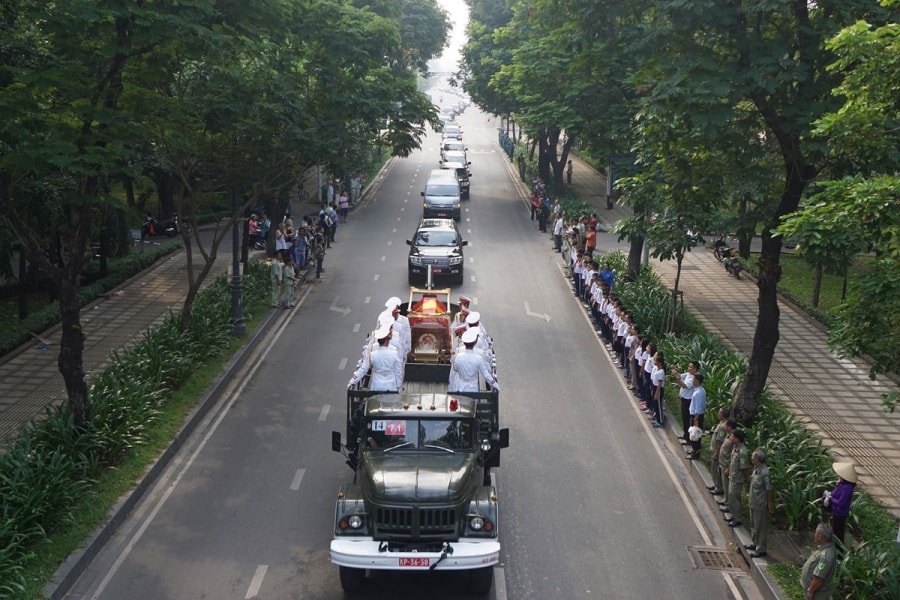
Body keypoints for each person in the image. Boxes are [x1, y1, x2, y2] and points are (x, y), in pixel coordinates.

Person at [347, 324, 402, 391]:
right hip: (391, 386)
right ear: (388, 340)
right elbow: (398, 372)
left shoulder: (372, 355)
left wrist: (352, 381)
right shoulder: (395, 354)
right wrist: (399, 387)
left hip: (377, 386)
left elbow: (362, 370)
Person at [824, 461, 858, 548]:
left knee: (838, 532)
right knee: (835, 530)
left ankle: (839, 551)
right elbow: (835, 493)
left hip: (840, 513)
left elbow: (841, 503)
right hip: (835, 511)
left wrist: (831, 499)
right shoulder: (841, 484)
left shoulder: (847, 488)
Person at [746, 448, 773, 558]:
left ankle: (761, 548)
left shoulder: (765, 473)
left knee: (760, 526)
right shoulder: (756, 468)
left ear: (758, 459)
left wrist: (769, 503)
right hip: (753, 501)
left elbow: (768, 489)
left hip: (760, 503)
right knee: (753, 523)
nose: (752, 457)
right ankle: (755, 543)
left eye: (753, 456)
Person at [800, 524, 837, 600]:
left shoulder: (825, 557)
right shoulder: (824, 548)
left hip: (817, 595)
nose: (815, 534)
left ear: (820, 537)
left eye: (816, 533)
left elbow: (819, 578)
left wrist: (810, 591)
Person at [725, 428, 750, 527]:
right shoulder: (735, 448)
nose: (731, 438)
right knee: (731, 497)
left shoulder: (742, 452)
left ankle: (738, 518)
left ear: (738, 439)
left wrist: (745, 478)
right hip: (732, 476)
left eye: (732, 437)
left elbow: (744, 468)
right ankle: (733, 515)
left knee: (735, 498)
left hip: (737, 479)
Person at [672, 361, 699, 444]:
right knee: (684, 418)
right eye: (689, 366)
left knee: (687, 419)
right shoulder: (688, 374)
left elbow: (684, 385)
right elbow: (680, 376)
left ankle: (688, 438)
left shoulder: (693, 378)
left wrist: (677, 377)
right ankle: (685, 434)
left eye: (691, 367)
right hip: (684, 399)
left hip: (688, 400)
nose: (689, 368)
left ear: (695, 369)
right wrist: (675, 372)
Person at [707, 409, 728, 496]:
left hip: (717, 451)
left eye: (720, 412)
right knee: (714, 469)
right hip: (715, 449)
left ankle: (718, 487)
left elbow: (720, 440)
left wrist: (716, 452)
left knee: (716, 470)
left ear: (723, 415)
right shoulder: (721, 423)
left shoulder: (723, 427)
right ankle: (715, 484)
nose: (718, 414)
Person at [686, 373, 707, 459]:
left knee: (695, 434)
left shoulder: (699, 393)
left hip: (696, 416)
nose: (692, 381)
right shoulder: (699, 390)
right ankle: (693, 450)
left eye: (693, 379)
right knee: (693, 433)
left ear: (697, 381)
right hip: (695, 415)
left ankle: (696, 453)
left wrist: (696, 419)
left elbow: (698, 407)